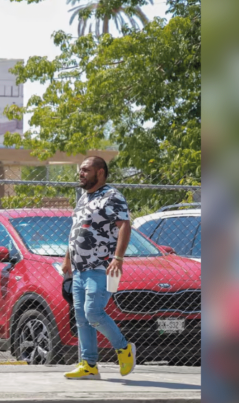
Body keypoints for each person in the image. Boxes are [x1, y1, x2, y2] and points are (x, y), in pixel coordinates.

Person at [62, 156, 136, 380]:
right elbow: (75, 231)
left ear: (100, 172)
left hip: (100, 267)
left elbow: (124, 225)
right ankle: (89, 365)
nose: (81, 174)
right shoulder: (84, 197)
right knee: (82, 318)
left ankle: (124, 350)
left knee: (93, 312)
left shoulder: (112, 197)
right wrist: (67, 259)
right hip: (79, 269)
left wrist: (118, 258)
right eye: (80, 170)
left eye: (86, 170)